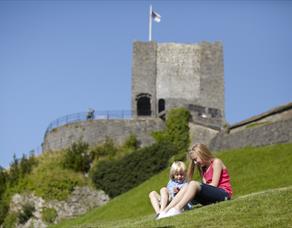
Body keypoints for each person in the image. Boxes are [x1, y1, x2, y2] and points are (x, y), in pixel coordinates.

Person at [157, 143, 232, 219]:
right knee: (187, 185)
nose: (195, 163)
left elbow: (214, 185)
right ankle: (164, 211)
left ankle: (177, 209)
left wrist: (195, 188)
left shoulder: (216, 162)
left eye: (196, 159)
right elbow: (206, 187)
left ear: (202, 154)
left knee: (193, 184)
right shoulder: (203, 169)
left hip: (224, 194)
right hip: (212, 198)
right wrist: (188, 191)